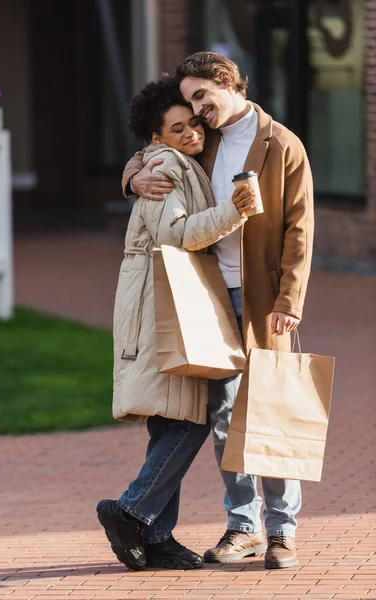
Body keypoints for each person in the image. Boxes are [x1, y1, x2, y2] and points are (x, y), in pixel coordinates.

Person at [122, 52, 314, 569]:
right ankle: (244, 526)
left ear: (228, 84)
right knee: (226, 415)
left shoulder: (282, 144)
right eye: (189, 102)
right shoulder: (200, 142)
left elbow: (300, 228)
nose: (198, 110)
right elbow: (154, 152)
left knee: (273, 410)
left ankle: (283, 531)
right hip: (208, 295)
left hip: (264, 298)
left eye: (203, 97)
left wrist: (289, 300)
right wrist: (132, 176)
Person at [96, 76, 257, 571]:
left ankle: (157, 537)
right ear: (157, 138)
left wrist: (131, 174)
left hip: (166, 298)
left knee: (171, 417)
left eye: (193, 122)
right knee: (191, 417)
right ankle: (131, 511)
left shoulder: (182, 156)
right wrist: (235, 211)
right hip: (162, 303)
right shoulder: (169, 162)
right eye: (178, 127)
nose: (192, 132)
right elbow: (175, 233)